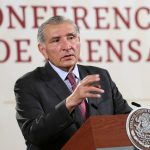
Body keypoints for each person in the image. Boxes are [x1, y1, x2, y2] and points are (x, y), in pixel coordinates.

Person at [14, 15, 132, 150]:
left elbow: (125, 120)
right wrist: (70, 103)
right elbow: (34, 134)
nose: (67, 46)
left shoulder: (100, 76)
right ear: (43, 50)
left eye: (71, 37)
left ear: (79, 40)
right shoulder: (28, 84)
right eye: (56, 40)